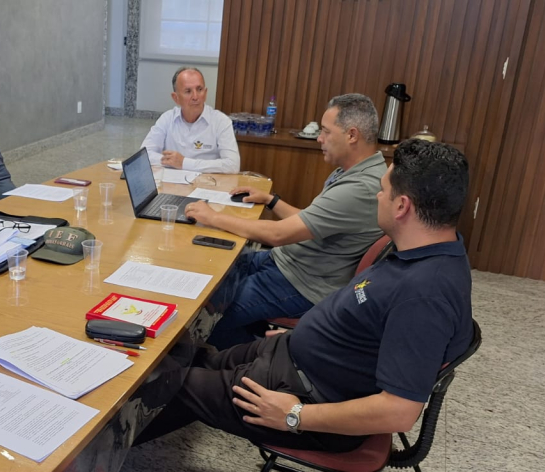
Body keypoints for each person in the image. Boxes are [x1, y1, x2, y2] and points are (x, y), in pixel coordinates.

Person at [138, 139, 473, 453]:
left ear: (402, 206)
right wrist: (307, 334)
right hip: (294, 356)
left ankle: (114, 451)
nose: (377, 196)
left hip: (303, 394)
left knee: (165, 382)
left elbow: (399, 411)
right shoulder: (424, 252)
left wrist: (295, 415)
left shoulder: (425, 296)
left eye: (383, 191)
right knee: (185, 356)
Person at [186, 93, 387, 349]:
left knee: (209, 315)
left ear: (352, 135)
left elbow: (278, 235)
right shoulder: (355, 171)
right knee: (217, 270)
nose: (319, 138)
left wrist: (213, 217)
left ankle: (241, 360)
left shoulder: (359, 188)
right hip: (289, 262)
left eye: (326, 131)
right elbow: (310, 221)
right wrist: (271, 200)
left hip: (302, 283)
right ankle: (245, 342)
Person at [140, 67, 240, 174]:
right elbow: (143, 156)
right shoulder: (167, 119)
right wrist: (172, 161)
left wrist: (184, 163)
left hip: (206, 182)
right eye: (188, 91)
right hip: (172, 182)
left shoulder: (221, 121)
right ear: (176, 98)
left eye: (199, 89)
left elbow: (233, 165)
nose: (195, 97)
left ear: (205, 93)